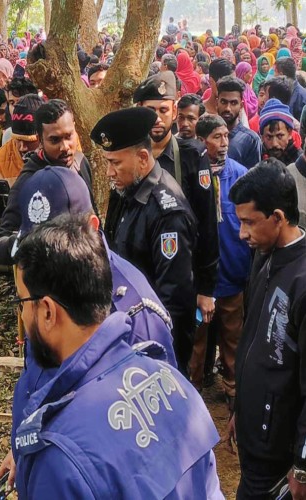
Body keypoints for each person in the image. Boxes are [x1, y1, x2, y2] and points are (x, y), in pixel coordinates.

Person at [11, 212, 222, 499]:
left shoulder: (60, 458)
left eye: (22, 301)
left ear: (48, 311)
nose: (22, 313)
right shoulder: (171, 379)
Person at [227, 160, 306, 499]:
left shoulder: (302, 281)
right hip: (255, 438)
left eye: (249, 222)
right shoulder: (264, 254)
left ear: (278, 217)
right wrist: (239, 411)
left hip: (280, 454)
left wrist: (303, 464)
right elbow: (252, 340)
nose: (242, 233)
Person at [99, 107, 198, 376]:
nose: (109, 172)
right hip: (127, 333)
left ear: (143, 158)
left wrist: (165, 364)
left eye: (115, 163)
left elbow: (175, 302)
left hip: (153, 347)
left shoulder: (167, 214)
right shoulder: (126, 190)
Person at [133, 72, 219, 374]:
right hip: (142, 279)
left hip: (182, 280)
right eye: (150, 110)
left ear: (174, 109)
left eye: (163, 110)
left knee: (177, 360)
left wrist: (207, 288)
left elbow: (208, 225)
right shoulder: (129, 156)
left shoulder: (193, 157)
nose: (156, 118)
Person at [0, 99, 94, 264]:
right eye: (55, 140)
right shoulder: (29, 179)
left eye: (69, 136)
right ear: (40, 139)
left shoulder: (81, 162)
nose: (65, 147)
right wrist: (35, 240)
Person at [190, 114, 250, 402]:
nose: (224, 142)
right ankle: (192, 393)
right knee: (197, 343)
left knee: (233, 341)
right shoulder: (193, 175)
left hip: (233, 276)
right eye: (217, 137)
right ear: (202, 141)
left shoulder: (240, 176)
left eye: (226, 135)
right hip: (202, 281)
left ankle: (234, 396)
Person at [216, 75, 262, 168]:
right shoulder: (207, 135)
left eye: (233, 103)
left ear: (241, 105)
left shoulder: (251, 140)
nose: (228, 108)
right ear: (217, 102)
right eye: (224, 102)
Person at [259, 98, 303, 164]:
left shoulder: (301, 163)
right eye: (269, 137)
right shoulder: (256, 158)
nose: (274, 144)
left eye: (279, 136)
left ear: (290, 133)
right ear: (262, 137)